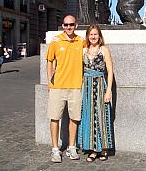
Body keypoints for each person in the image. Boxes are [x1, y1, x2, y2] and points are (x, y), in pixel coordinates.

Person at [46, 15, 84, 163]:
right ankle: (55, 149)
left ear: (76, 25)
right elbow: (49, 62)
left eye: (71, 24)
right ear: (62, 26)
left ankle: (71, 147)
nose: (69, 27)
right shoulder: (55, 41)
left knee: (74, 118)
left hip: (75, 86)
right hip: (58, 86)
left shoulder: (81, 41)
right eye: (66, 25)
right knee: (54, 117)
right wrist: (50, 82)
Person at [78, 24, 113, 162]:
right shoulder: (83, 50)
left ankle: (103, 149)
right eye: (91, 34)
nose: (93, 37)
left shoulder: (104, 50)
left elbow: (110, 71)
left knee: (102, 116)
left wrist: (108, 90)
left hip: (100, 85)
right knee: (88, 116)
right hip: (86, 86)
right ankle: (92, 149)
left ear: (99, 36)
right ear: (88, 36)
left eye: (95, 34)